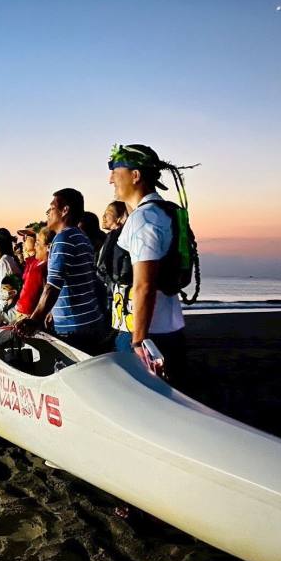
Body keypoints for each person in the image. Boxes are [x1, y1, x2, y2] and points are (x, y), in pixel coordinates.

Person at [108, 144, 186, 386]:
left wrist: (138, 340)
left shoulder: (145, 219)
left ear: (135, 175)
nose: (110, 179)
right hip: (163, 326)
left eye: (114, 170)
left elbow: (144, 285)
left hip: (146, 334)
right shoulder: (160, 212)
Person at [15, 189, 108, 355]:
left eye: (51, 208)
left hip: (75, 329)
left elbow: (53, 286)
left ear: (65, 210)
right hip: (91, 321)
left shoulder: (63, 239)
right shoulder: (81, 237)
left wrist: (34, 320)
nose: (48, 213)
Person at [15, 228, 54, 318]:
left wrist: (49, 311)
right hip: (21, 311)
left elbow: (48, 290)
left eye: (37, 242)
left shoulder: (47, 266)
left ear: (48, 246)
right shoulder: (34, 262)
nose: (24, 241)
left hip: (31, 315)